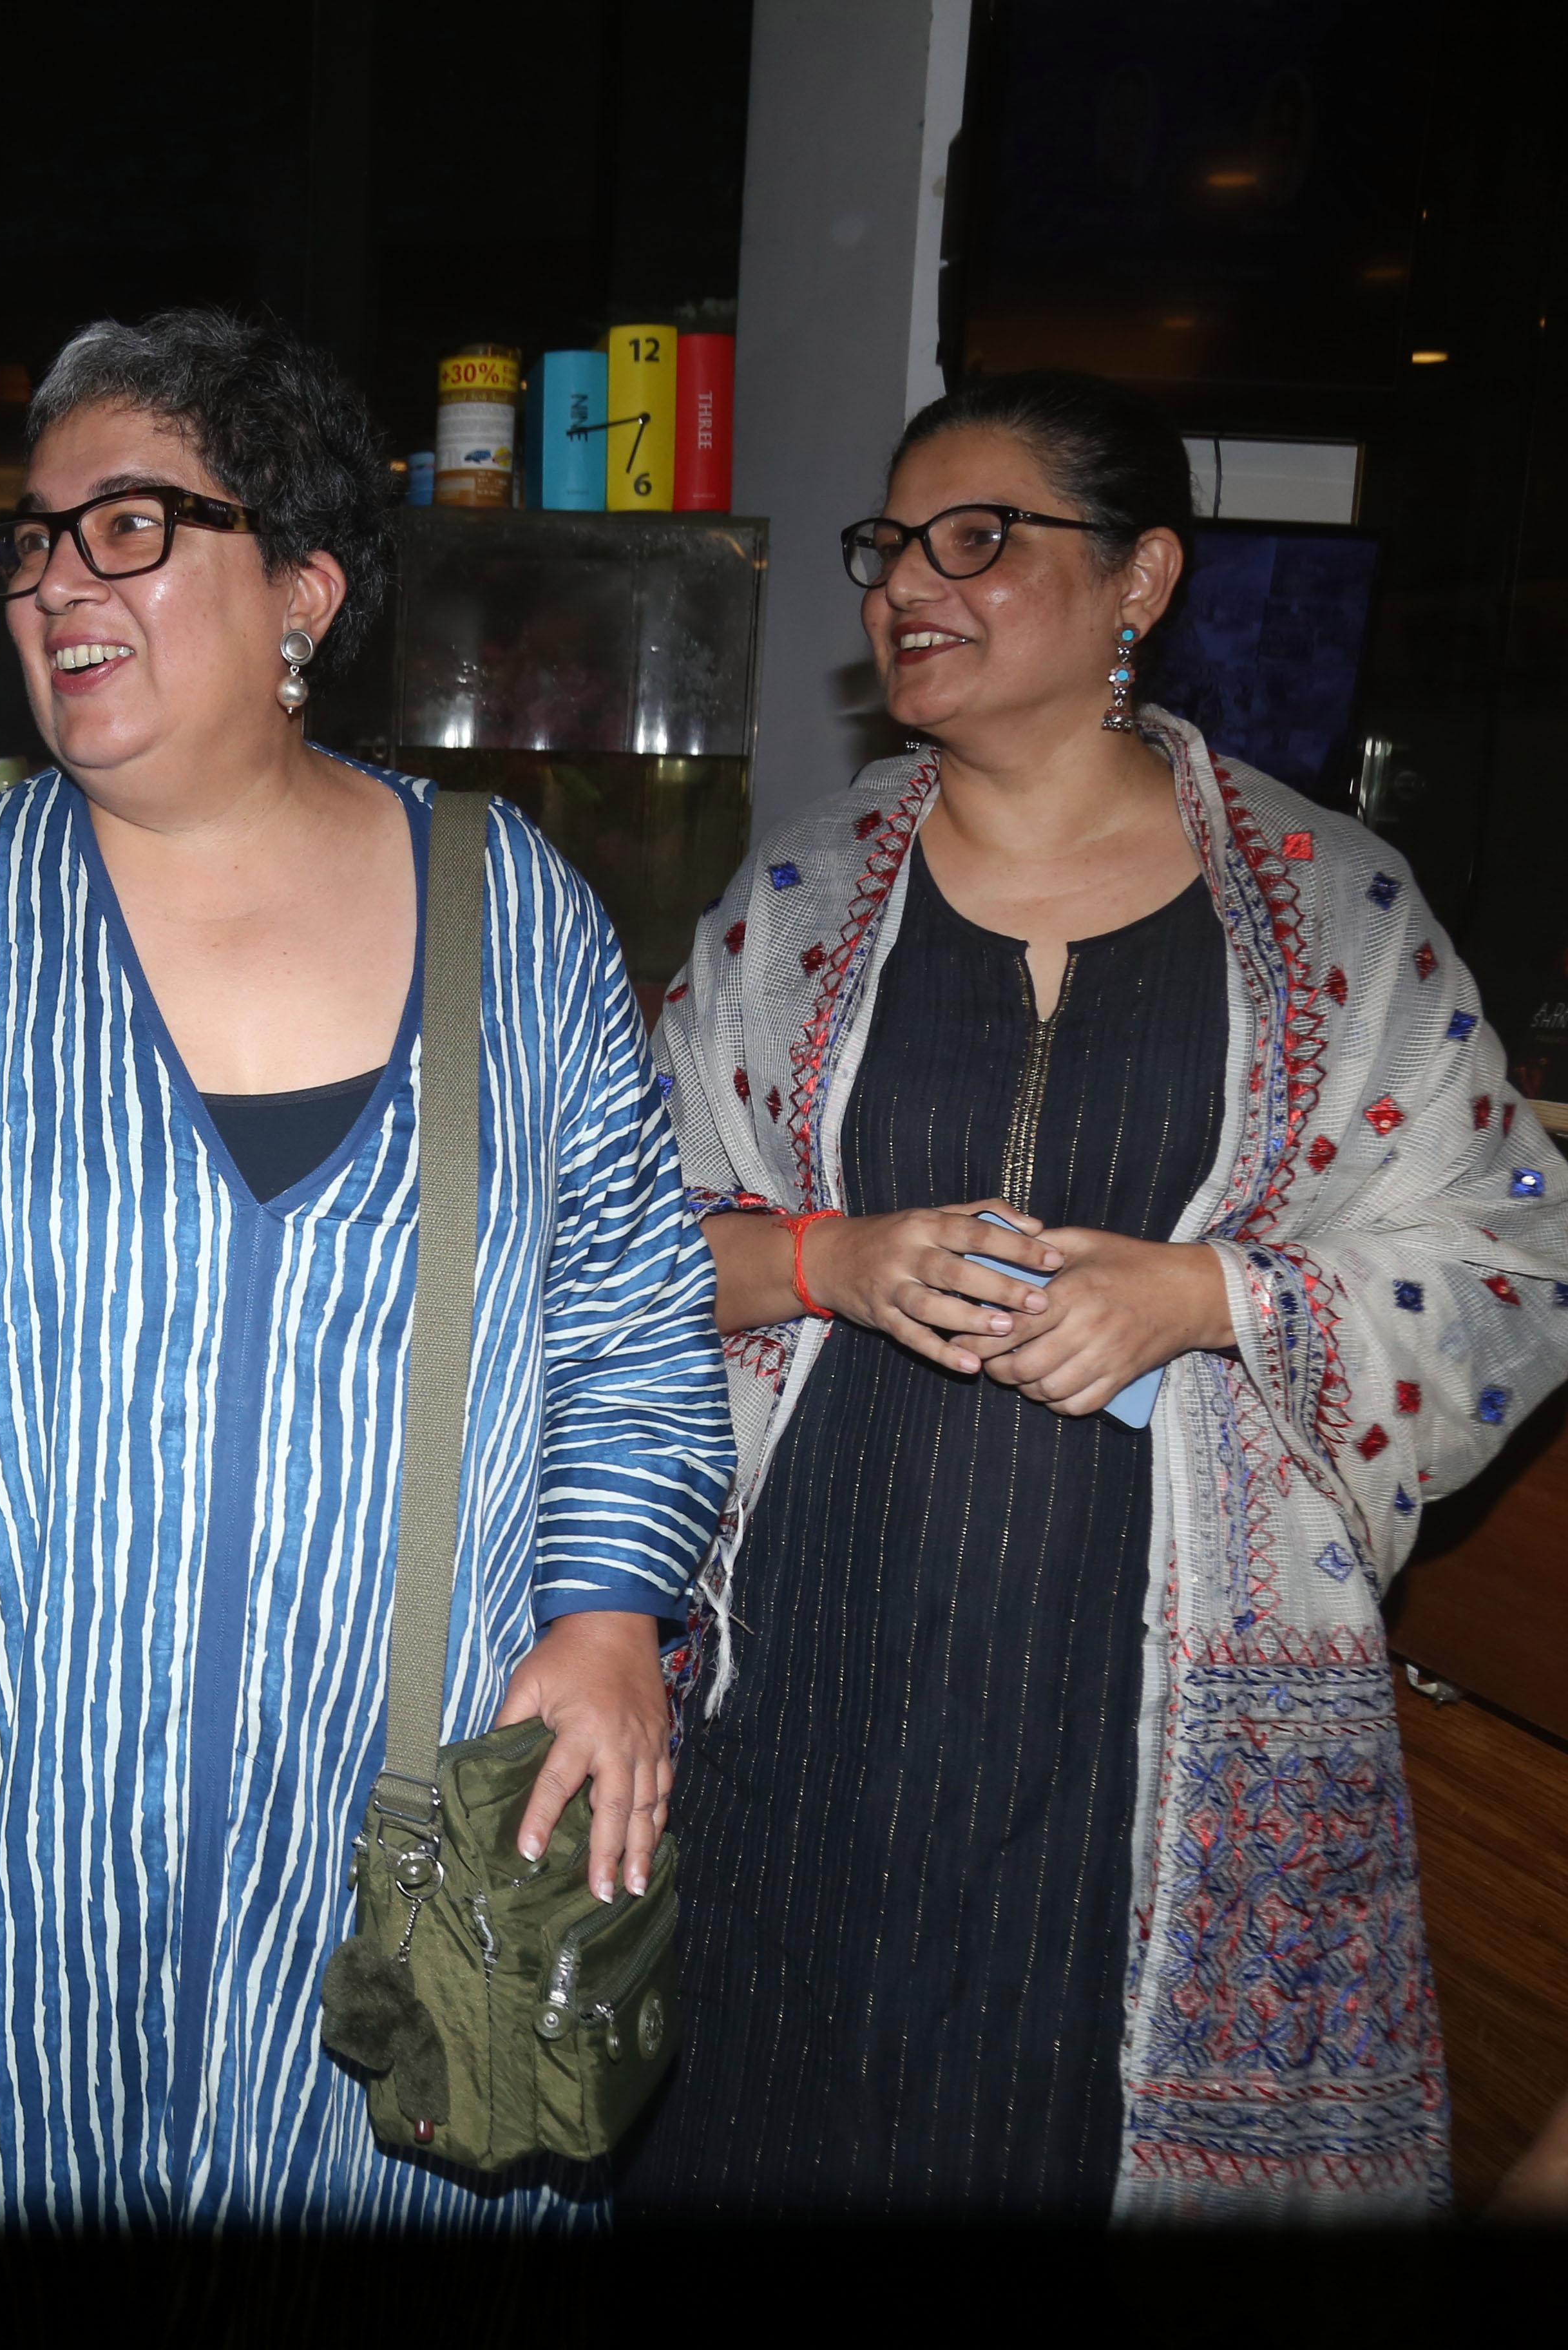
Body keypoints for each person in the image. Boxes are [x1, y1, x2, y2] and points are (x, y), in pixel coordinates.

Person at [0, 308, 734, 2236]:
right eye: (32, 538)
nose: (54, 583)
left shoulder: (514, 910)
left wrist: (612, 1616)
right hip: (6, 1853)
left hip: (401, 1843)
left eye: (128, 526)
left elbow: (627, 1313)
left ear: (303, 587)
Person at [630, 370, 1568, 2219]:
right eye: (892, 543)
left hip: (1144, 1704)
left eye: (980, 538)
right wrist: (836, 1256)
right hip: (811, 1662)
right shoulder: (805, 901)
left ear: (1140, 578)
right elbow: (616, 1247)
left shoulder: (1332, 904)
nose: (913, 579)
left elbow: (1513, 1252)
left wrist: (1216, 1293)